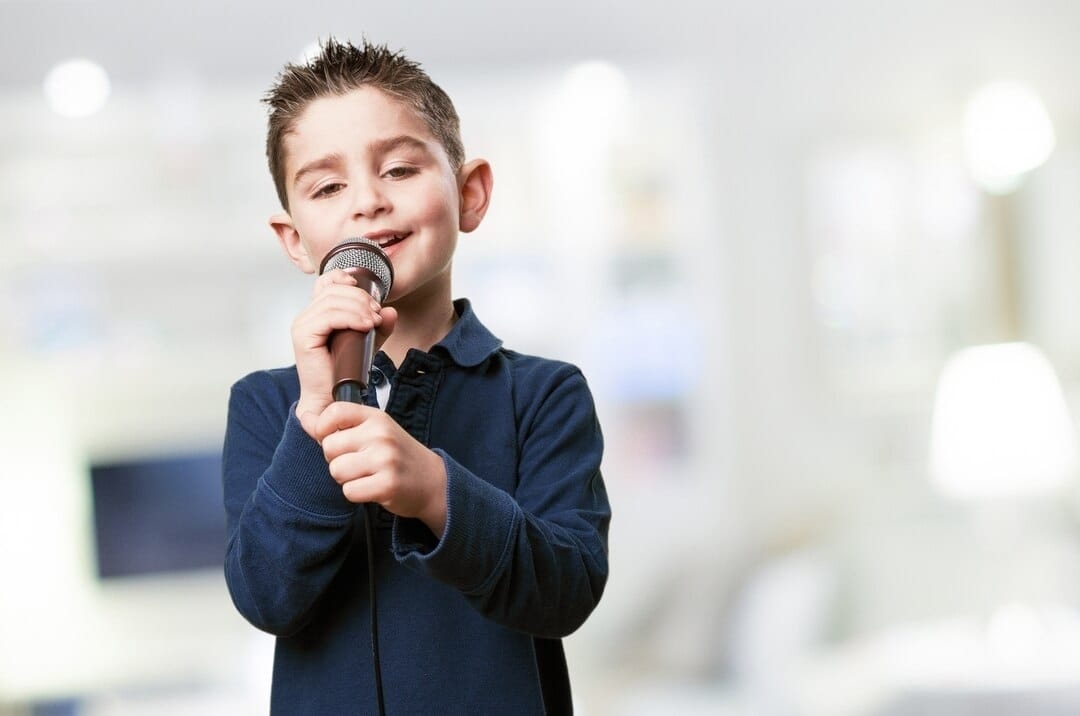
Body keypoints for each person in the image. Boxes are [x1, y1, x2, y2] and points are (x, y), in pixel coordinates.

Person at [222, 37, 611, 715]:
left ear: (469, 193)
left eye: (400, 169)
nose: (367, 203)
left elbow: (567, 591)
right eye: (328, 186)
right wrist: (315, 419)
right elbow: (265, 597)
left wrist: (436, 491)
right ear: (295, 240)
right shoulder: (264, 405)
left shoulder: (544, 394)